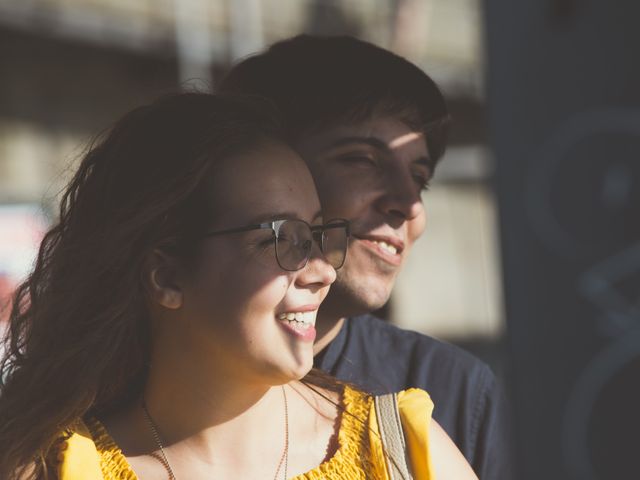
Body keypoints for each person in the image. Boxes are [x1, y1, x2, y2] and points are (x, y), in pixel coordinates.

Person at [0, 93, 477, 479]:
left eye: (315, 235)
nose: (323, 271)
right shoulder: (54, 468)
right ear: (166, 275)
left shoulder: (404, 456)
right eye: (282, 239)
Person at [220, 35, 512, 478]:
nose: (408, 204)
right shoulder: (102, 401)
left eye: (420, 178)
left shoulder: (455, 395)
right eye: (363, 160)